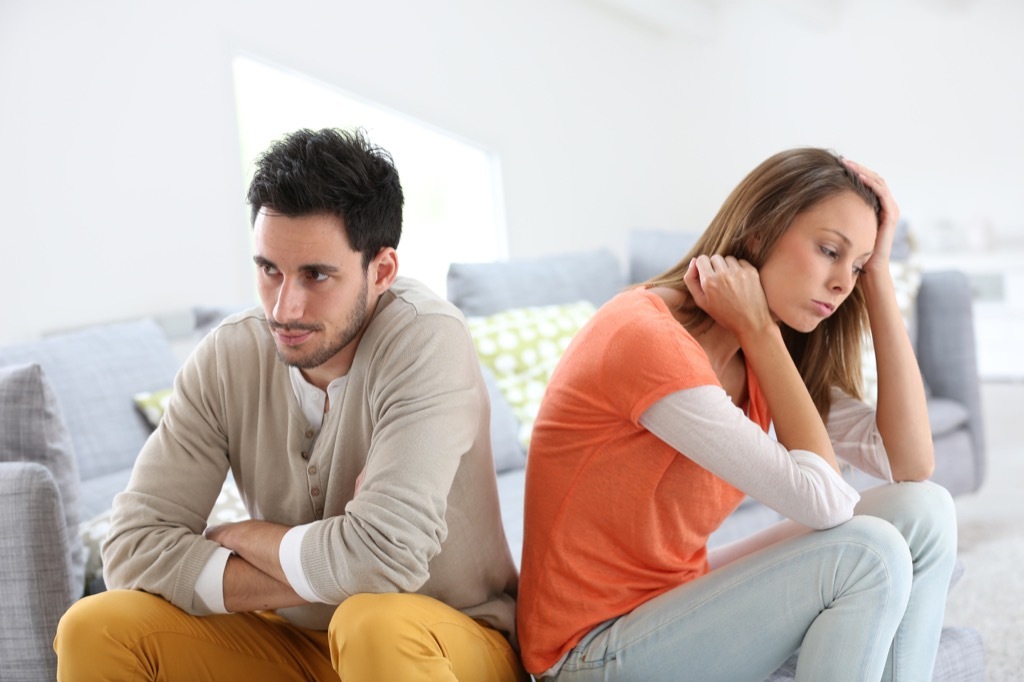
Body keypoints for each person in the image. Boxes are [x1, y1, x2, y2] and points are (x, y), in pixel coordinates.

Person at [55, 128, 527, 682]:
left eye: (316, 275)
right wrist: (332, 563)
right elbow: (132, 550)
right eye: (269, 270)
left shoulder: (427, 338)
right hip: (299, 643)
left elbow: (386, 559)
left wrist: (248, 538)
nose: (285, 307)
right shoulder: (228, 355)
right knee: (96, 625)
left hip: (440, 641)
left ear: (381, 271)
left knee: (370, 621)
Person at [516, 148, 957, 681]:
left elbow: (908, 462)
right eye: (829, 250)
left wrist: (880, 277)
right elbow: (828, 504)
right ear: (758, 233)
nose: (844, 283)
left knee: (924, 511)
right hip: (585, 654)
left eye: (857, 265)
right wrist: (761, 333)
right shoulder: (647, 339)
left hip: (674, 601)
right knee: (868, 553)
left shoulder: (765, 352)